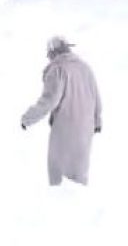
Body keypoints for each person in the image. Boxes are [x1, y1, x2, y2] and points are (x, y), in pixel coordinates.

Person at [21, 36, 102, 186]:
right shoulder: (85, 68)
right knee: (79, 179)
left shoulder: (57, 70)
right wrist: (97, 122)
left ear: (53, 52)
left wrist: (27, 118)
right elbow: (96, 97)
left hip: (65, 130)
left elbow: (49, 101)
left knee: (60, 182)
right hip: (85, 130)